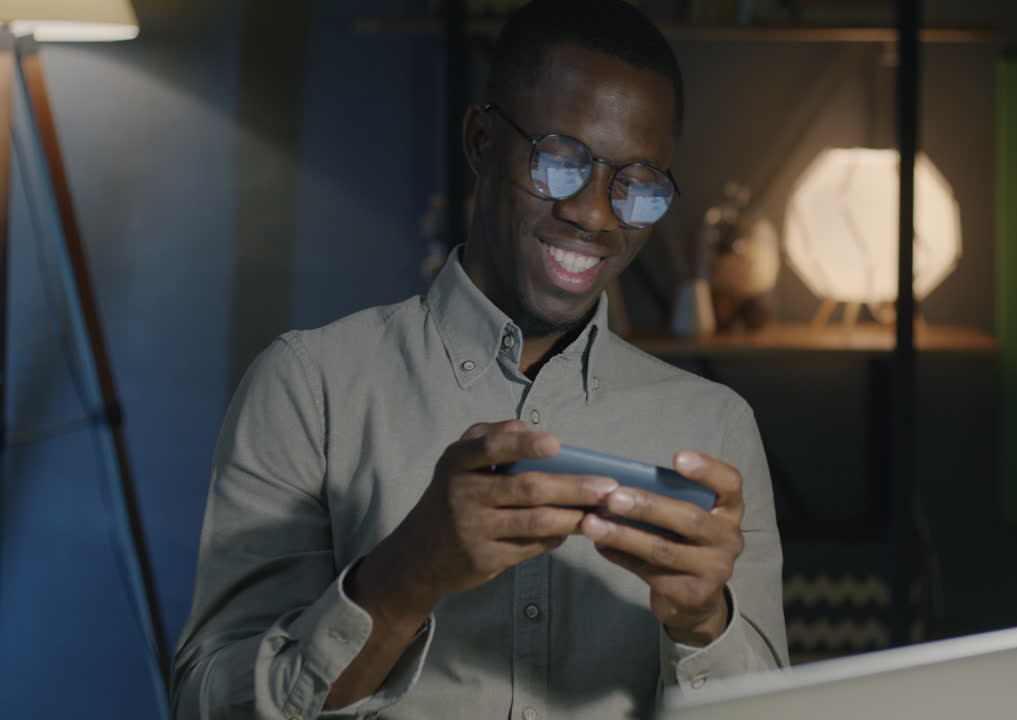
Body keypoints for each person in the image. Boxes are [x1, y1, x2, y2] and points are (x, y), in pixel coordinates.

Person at [171, 1, 787, 717]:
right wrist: (400, 580)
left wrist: (703, 623)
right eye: (560, 161)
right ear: (482, 140)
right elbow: (203, 705)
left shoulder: (714, 428)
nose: (595, 215)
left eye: (638, 184)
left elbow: (773, 708)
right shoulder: (311, 387)